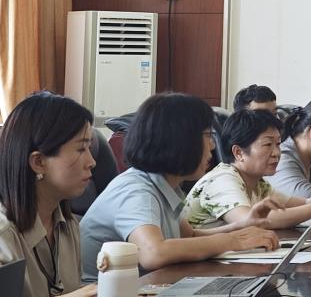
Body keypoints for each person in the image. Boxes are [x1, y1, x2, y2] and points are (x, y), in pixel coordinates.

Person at [80, 92, 279, 280]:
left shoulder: (167, 185)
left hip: (142, 288)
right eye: (207, 136)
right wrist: (233, 241)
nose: (212, 146)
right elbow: (153, 253)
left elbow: (191, 236)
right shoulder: (137, 189)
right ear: (180, 140)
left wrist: (241, 227)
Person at [0, 92, 99, 297]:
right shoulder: (4, 234)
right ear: (38, 162)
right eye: (81, 149)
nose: (92, 162)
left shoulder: (68, 225)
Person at [185, 109, 311, 231]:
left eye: (278, 144)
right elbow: (251, 221)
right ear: (239, 152)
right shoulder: (223, 180)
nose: (276, 153)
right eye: (267, 144)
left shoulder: (259, 184)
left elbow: (305, 203)